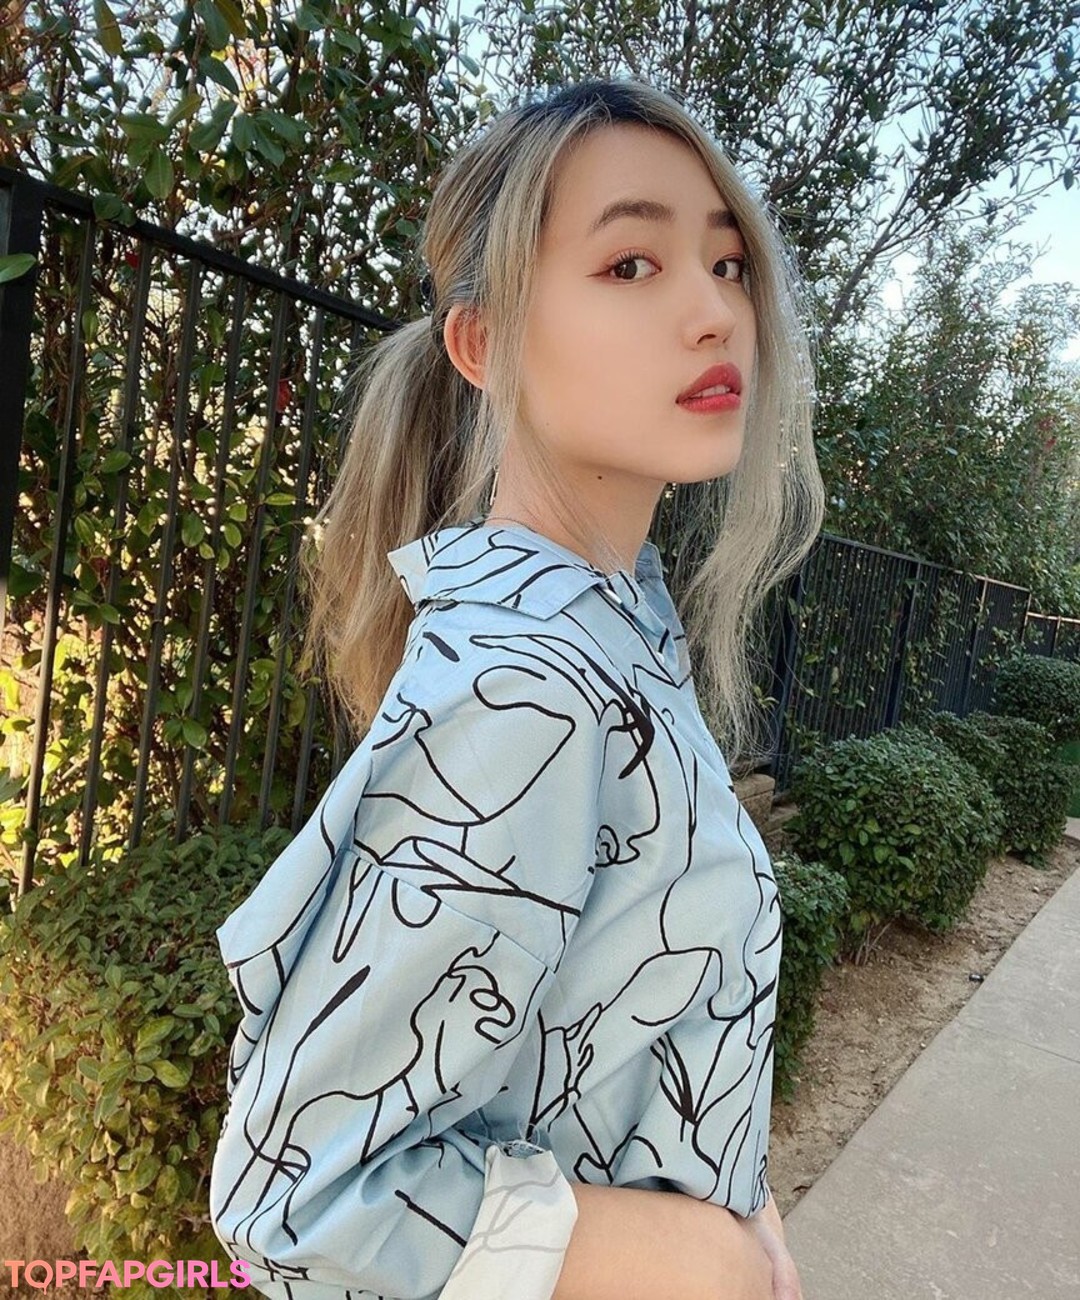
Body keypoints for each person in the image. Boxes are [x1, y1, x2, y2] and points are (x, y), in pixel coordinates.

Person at [209, 77, 824, 1300]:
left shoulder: (618, 616)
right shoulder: (524, 683)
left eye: (727, 263)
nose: (716, 311)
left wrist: (745, 1213)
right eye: (632, 264)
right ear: (483, 345)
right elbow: (297, 1203)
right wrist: (708, 1261)